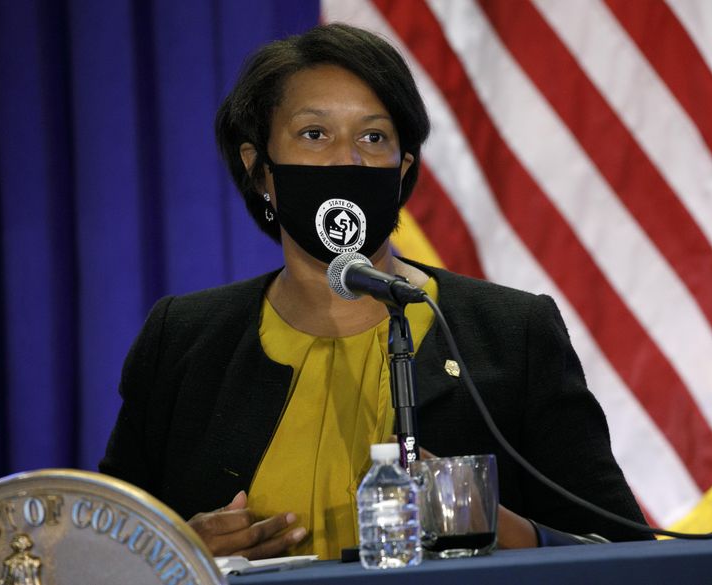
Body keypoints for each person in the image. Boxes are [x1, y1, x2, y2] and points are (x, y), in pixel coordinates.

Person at [99, 23, 650, 561]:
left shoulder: (510, 331)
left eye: (373, 137)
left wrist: (497, 527)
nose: (348, 159)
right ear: (259, 168)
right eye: (314, 134)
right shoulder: (182, 340)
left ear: (402, 168)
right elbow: (97, 556)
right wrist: (173, 550)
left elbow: (626, 558)